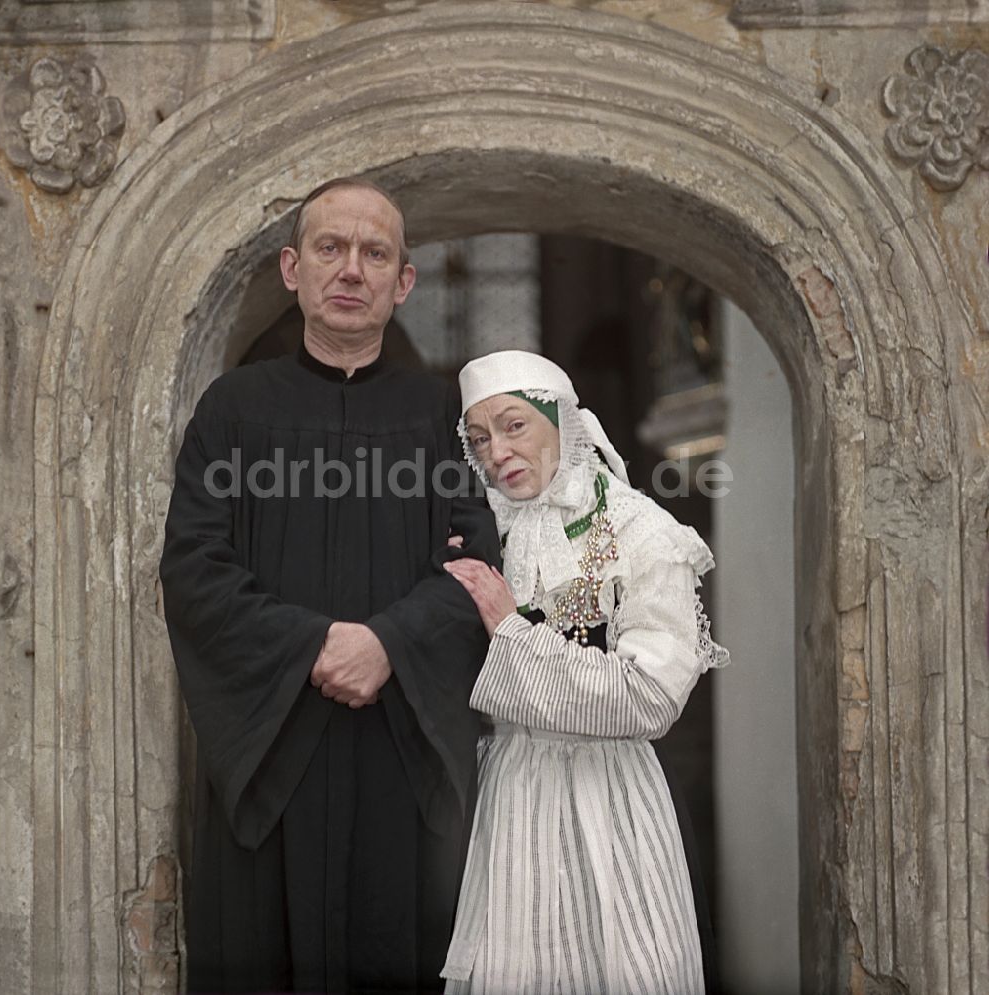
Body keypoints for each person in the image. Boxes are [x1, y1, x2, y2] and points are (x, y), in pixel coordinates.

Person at [159, 177, 500, 994]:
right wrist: (315, 645)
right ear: (292, 268)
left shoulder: (438, 417)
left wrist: (389, 642)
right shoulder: (233, 411)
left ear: (402, 282)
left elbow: (479, 568)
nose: (352, 270)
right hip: (269, 762)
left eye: (375, 253)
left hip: (398, 763)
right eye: (330, 248)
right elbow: (194, 569)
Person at [439, 350, 729, 995]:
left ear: (563, 422)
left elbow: (649, 698)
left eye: (515, 425)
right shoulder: (485, 537)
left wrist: (508, 628)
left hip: (610, 798)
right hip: (511, 796)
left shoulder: (645, 534)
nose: (496, 451)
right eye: (479, 437)